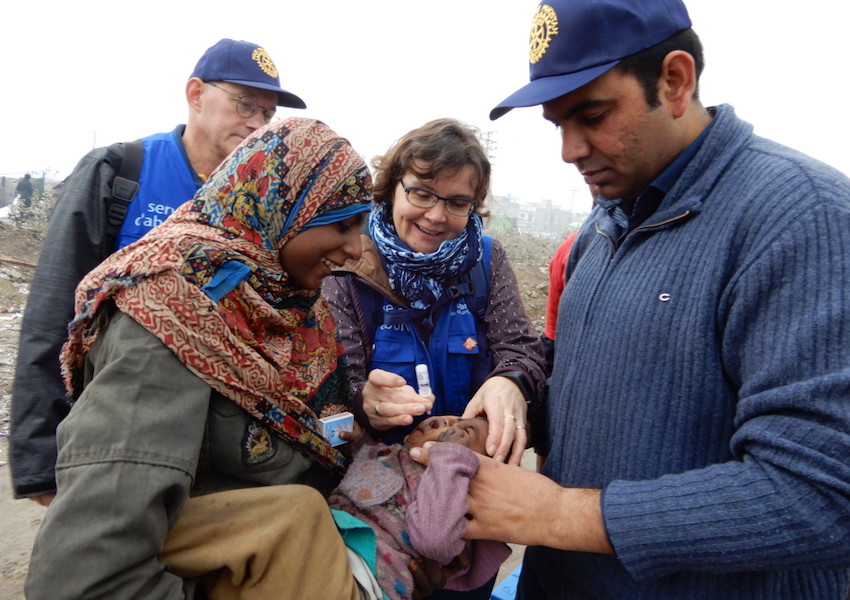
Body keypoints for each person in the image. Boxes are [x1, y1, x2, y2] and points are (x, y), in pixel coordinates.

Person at [430, 0, 850, 598]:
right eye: (558, 124)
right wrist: (516, 392)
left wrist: (561, 515)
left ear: (675, 80)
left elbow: (823, 493)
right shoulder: (601, 229)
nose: (570, 149)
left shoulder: (801, 219)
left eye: (593, 115)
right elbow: (596, 389)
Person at [25, 117, 377, 599]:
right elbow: (90, 574)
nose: (356, 249)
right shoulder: (174, 316)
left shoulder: (285, 308)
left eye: (362, 226)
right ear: (284, 208)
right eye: (341, 224)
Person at [10, 38, 306, 506]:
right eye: (244, 103)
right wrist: (40, 463)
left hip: (223, 452)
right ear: (195, 94)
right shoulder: (122, 172)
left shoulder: (264, 204)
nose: (256, 122)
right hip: (119, 434)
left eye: (267, 114)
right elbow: (52, 312)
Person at [322, 118, 546, 599]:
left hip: (471, 509)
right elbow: (333, 390)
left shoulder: (486, 262)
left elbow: (521, 347)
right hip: (379, 514)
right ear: (392, 189)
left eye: (457, 202)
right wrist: (365, 403)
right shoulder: (348, 269)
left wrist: (512, 379)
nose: (436, 215)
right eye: (421, 193)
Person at [328, 416, 512, 600]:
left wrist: (448, 460)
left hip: (362, 575)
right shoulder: (399, 456)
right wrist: (361, 444)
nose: (445, 424)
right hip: (332, 541)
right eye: (454, 419)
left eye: (463, 434)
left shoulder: (444, 498)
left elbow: (436, 541)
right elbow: (374, 481)